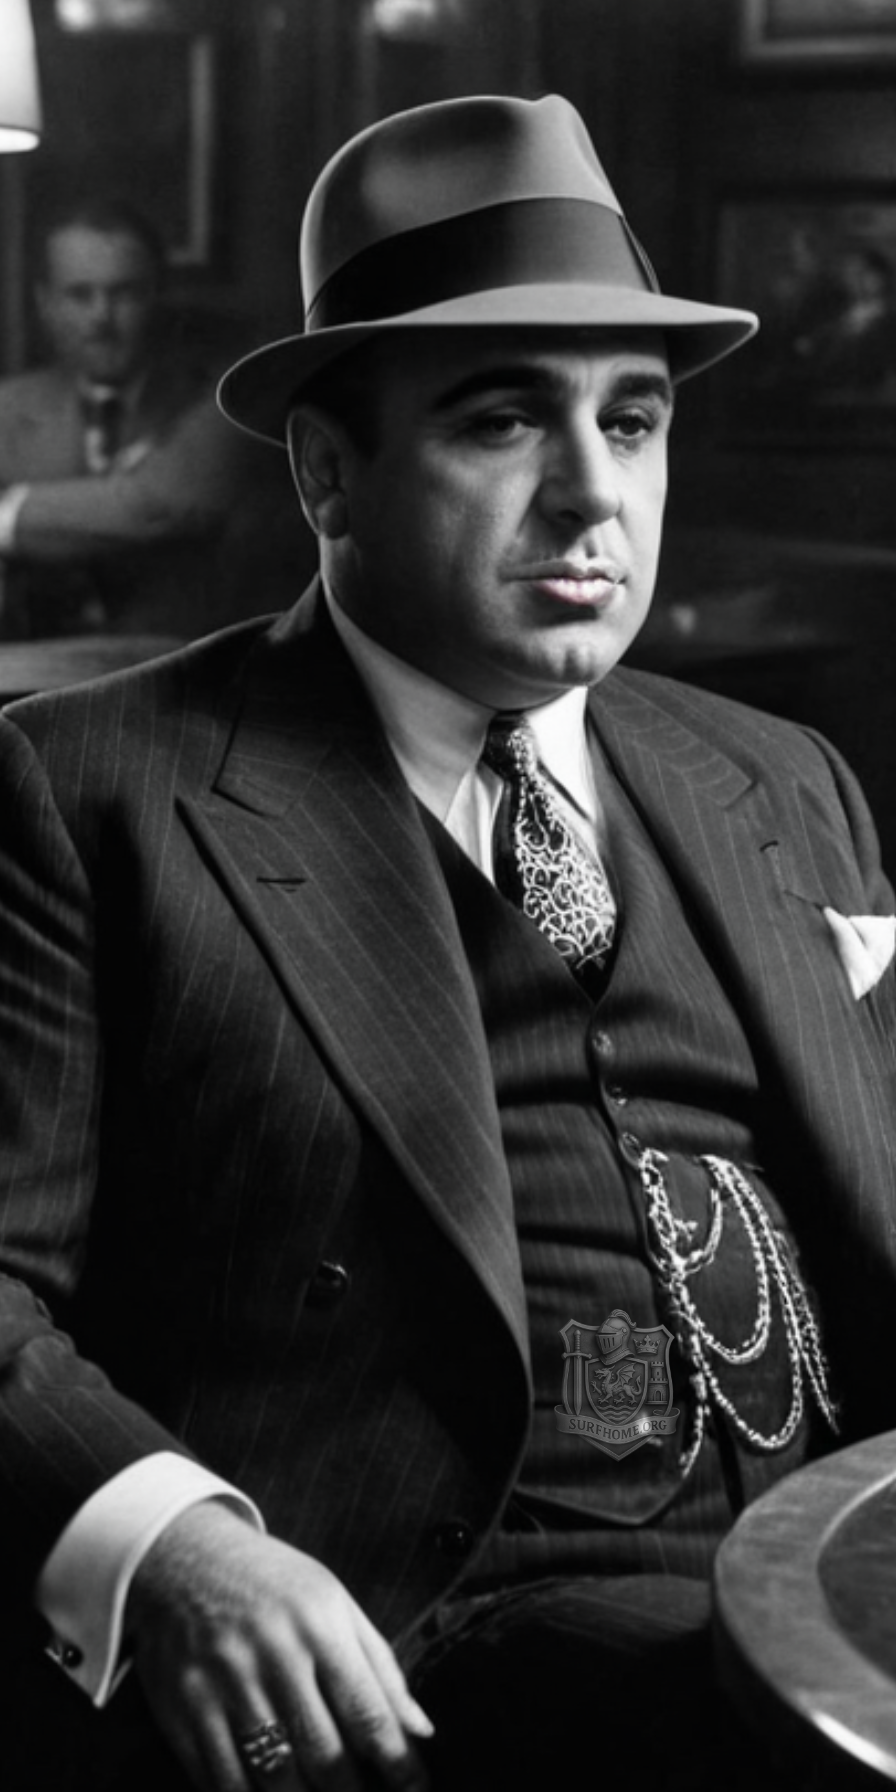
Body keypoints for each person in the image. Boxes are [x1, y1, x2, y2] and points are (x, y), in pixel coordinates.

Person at [0, 93, 893, 1792]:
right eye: (503, 421)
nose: (592, 495)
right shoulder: (91, 791)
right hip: (426, 1620)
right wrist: (173, 1542)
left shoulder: (782, 779)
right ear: (326, 471)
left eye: (632, 421)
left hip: (840, 1548)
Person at [0, 197, 308, 639]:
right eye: (80, 295)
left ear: (158, 296)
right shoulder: (9, 408)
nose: (101, 318)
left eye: (123, 293)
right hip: (37, 664)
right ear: (45, 302)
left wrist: (8, 513)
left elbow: (161, 507)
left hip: (194, 661)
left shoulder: (228, 394)